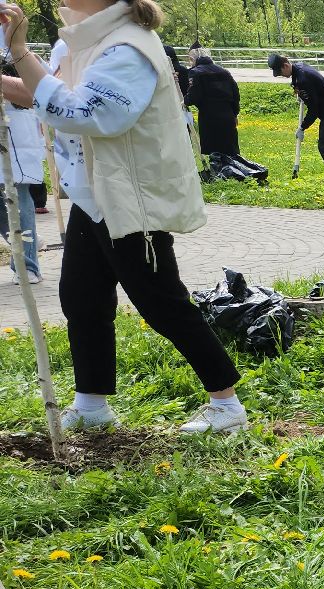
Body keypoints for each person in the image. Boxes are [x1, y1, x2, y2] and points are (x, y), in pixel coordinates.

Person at [0, 0, 252, 435]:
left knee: (162, 304)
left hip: (128, 199)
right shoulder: (86, 42)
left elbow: (90, 114)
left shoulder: (127, 48)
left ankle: (227, 406)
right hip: (93, 195)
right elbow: (47, 94)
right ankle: (92, 404)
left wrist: (20, 51)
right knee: (81, 297)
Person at [267, 52, 324, 177]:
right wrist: (301, 93)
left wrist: (303, 127)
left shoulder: (303, 78)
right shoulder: (298, 69)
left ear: (286, 65)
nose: (281, 75)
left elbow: (314, 109)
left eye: (280, 73)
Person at [2, 99, 43, 283]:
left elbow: (30, 90)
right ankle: (27, 240)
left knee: (16, 194)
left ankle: (26, 264)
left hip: (13, 127)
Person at [182, 46, 240, 157]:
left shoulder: (195, 72)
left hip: (209, 114)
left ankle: (217, 170)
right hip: (227, 113)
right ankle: (231, 170)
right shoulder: (224, 72)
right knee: (229, 146)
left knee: (213, 147)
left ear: (194, 59)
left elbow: (194, 95)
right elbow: (235, 94)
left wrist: (185, 101)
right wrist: (235, 113)